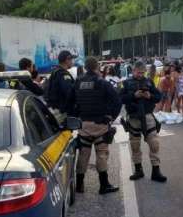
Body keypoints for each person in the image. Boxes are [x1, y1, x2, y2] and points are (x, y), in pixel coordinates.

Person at [68, 57, 121, 195]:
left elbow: (71, 101)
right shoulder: (102, 82)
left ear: (85, 67)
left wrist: (77, 116)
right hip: (100, 125)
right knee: (102, 154)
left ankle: (79, 185)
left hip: (84, 124)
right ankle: (104, 185)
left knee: (83, 154)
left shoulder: (78, 82)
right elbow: (117, 101)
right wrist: (111, 117)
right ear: (97, 67)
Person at [121, 62, 167, 183]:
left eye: (142, 72)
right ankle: (138, 170)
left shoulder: (149, 82)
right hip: (134, 118)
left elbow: (158, 96)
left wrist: (149, 96)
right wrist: (133, 95)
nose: (141, 75)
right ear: (134, 70)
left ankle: (156, 171)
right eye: (138, 72)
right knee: (135, 145)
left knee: (154, 144)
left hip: (147, 116)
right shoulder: (126, 83)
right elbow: (120, 98)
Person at [45, 51, 76, 123]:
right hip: (62, 113)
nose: (72, 62)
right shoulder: (63, 74)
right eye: (71, 59)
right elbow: (69, 92)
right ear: (67, 60)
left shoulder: (54, 72)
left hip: (54, 109)